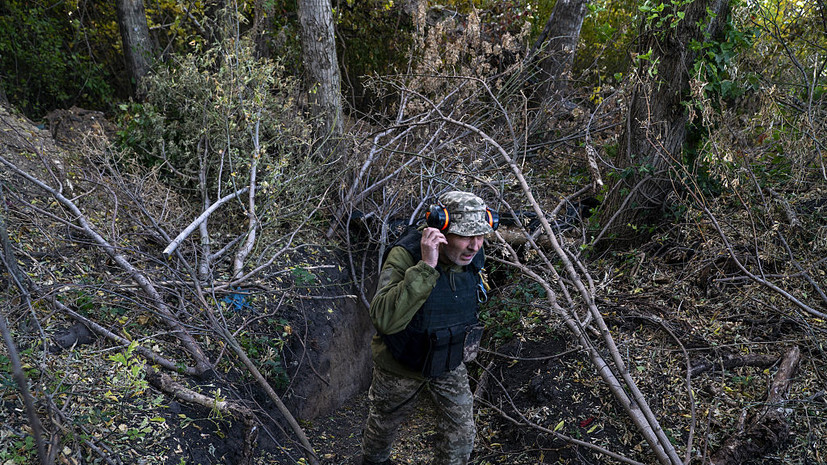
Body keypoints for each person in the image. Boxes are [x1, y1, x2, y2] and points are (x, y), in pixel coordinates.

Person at [361, 191, 497, 465]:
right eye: (466, 236)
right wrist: (426, 266)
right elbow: (384, 319)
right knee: (382, 428)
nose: (474, 246)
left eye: (480, 236)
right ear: (440, 228)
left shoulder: (473, 256)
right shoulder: (405, 255)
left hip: (448, 360)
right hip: (401, 362)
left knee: (461, 434)